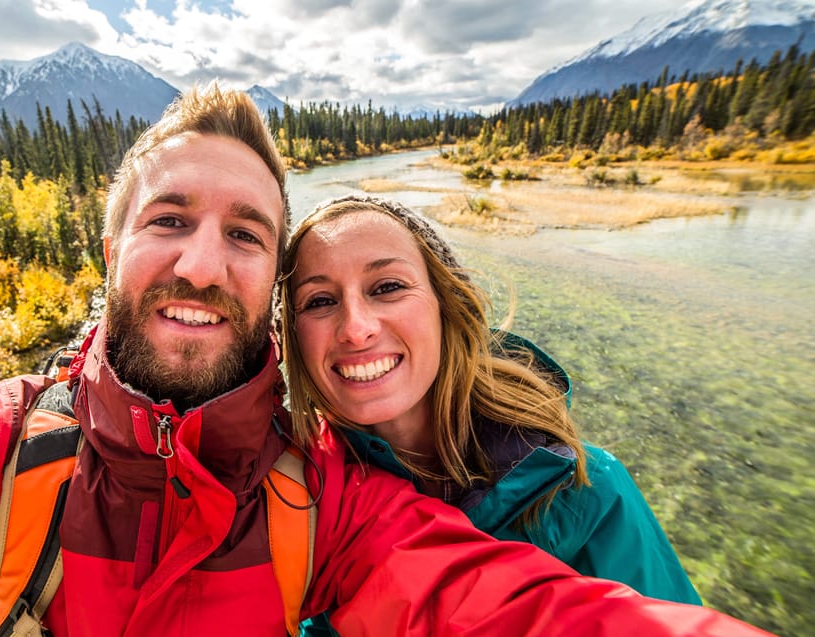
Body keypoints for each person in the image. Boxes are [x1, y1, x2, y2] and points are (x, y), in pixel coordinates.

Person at [0, 85, 773, 637]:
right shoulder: (3, 455)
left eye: (248, 233)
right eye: (169, 219)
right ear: (108, 250)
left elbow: (520, 608)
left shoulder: (333, 497)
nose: (203, 264)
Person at [277, 195, 705, 635]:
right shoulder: (298, 498)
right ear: (295, 339)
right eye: (319, 300)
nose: (356, 327)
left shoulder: (586, 491)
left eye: (387, 287)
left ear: (447, 304)